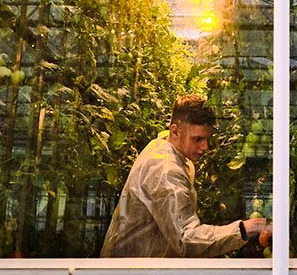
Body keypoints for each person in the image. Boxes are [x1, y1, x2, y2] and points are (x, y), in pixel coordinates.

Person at [101, 94, 268, 257]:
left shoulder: (165, 147)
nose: (205, 147)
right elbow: (186, 239)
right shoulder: (165, 170)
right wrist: (246, 228)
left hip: (136, 272)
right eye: (197, 139)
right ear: (175, 131)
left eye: (207, 139)